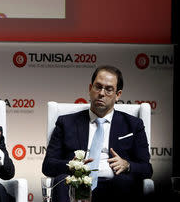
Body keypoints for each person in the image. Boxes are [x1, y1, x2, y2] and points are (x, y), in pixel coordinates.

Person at [42, 65, 153, 202]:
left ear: (118, 95)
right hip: (76, 185)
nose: (101, 93)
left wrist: (127, 165)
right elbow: (48, 165)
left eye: (108, 89)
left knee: (126, 182)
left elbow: (147, 169)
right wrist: (73, 165)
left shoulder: (133, 125)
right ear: (90, 89)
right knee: (61, 181)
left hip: (116, 185)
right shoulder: (66, 123)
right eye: (98, 87)